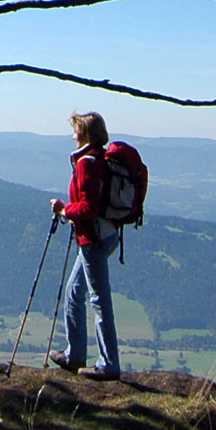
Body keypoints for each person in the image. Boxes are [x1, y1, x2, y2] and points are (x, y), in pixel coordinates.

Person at [50, 111, 143, 381]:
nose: (72, 134)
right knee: (74, 292)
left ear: (85, 134)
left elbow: (88, 208)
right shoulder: (101, 160)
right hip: (106, 235)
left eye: (76, 130)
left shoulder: (87, 164)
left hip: (93, 239)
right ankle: (75, 354)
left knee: (97, 300)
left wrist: (64, 210)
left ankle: (108, 364)